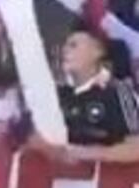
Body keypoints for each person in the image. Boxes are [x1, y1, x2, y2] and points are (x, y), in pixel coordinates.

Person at [35, 26, 139, 163]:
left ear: (97, 51)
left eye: (73, 45)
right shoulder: (57, 94)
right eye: (64, 45)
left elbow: (135, 147)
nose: (65, 50)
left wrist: (86, 154)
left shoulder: (117, 93)